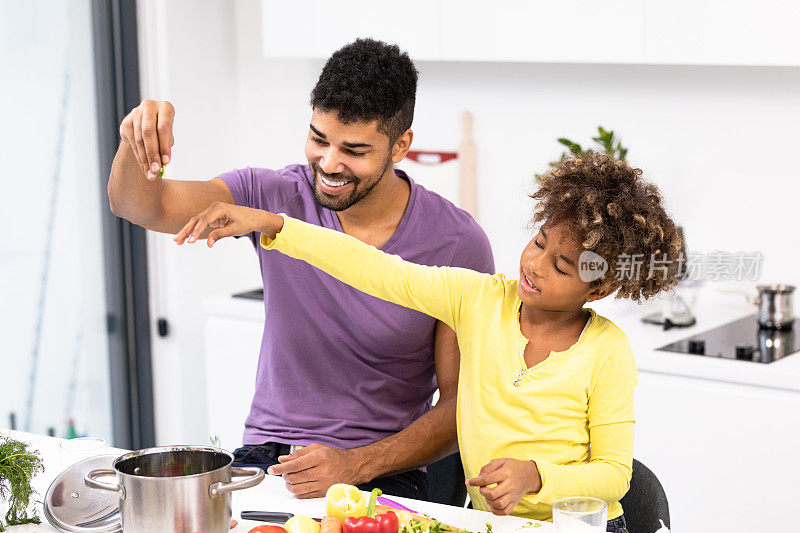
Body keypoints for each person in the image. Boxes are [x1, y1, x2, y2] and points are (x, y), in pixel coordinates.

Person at [173, 151, 683, 532]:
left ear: (600, 287)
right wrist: (276, 225)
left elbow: (615, 476)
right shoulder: (479, 299)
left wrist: (535, 476)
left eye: (561, 266)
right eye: (539, 242)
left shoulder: (607, 350)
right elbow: (376, 270)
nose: (534, 264)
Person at [108, 38, 494, 500]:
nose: (329, 164)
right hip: (267, 458)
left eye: (354, 149)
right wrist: (137, 143)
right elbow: (138, 206)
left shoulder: (456, 242)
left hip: (383, 468)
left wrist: (356, 463)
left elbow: (460, 410)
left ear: (400, 146)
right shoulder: (274, 195)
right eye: (318, 139)